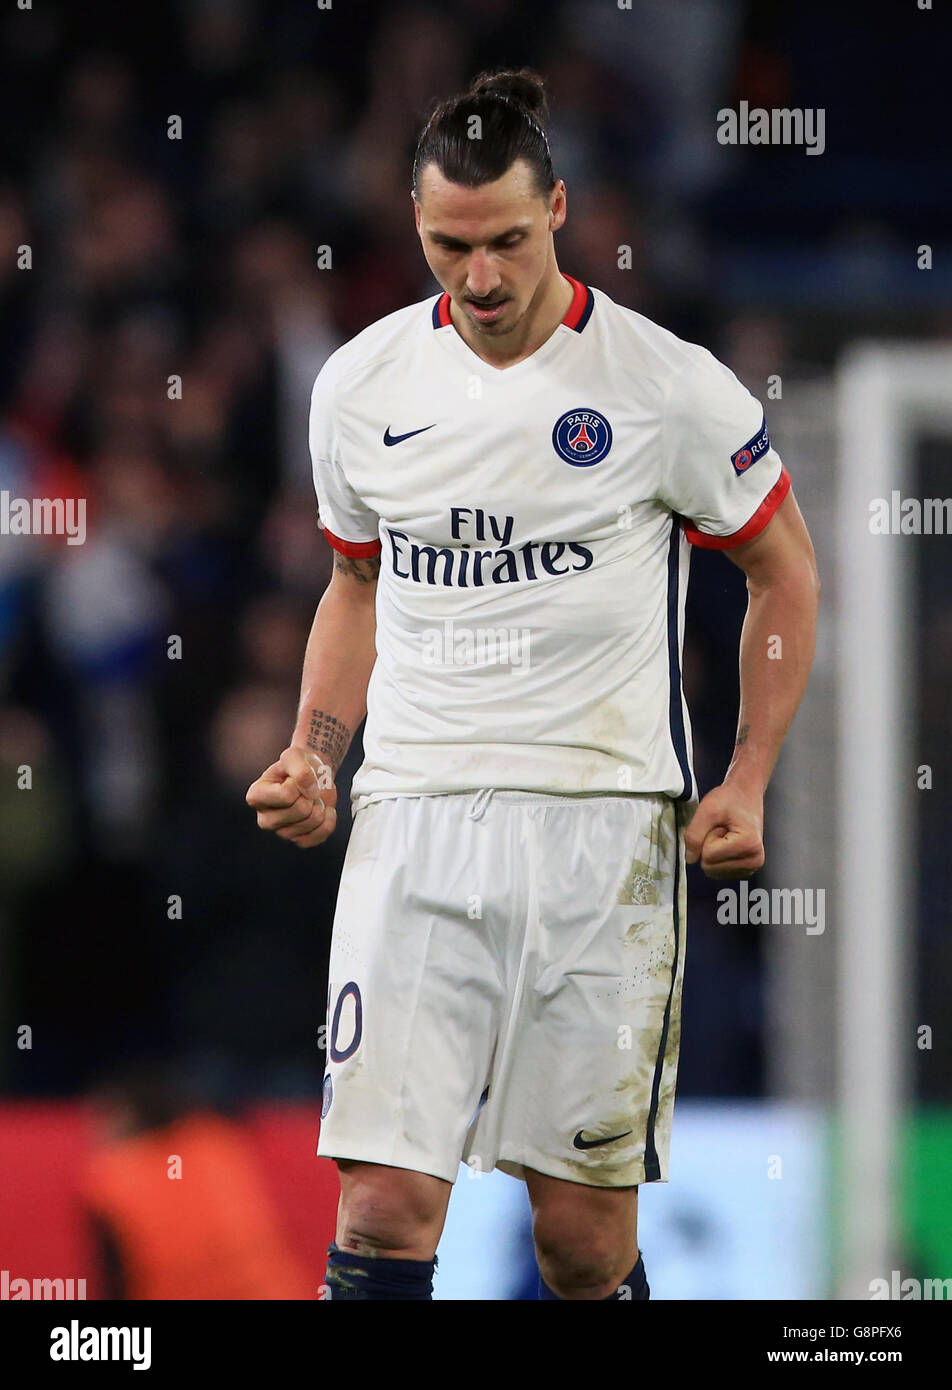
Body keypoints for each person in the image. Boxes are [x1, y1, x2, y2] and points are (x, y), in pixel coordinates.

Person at [246, 67, 820, 1301]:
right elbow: (356, 586)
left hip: (602, 832)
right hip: (413, 825)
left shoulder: (664, 384)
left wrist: (749, 778)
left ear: (557, 207)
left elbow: (786, 572)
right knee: (383, 1204)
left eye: (507, 239)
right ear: (414, 226)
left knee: (580, 1243)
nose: (482, 277)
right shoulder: (358, 387)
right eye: (450, 246)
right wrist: (315, 751)